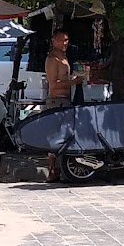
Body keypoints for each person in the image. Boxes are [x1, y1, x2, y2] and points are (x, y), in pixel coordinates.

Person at [43, 29, 84, 183]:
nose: (64, 43)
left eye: (66, 40)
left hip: (66, 100)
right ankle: (52, 171)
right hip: (56, 101)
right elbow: (54, 85)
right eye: (60, 40)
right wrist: (74, 82)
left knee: (66, 137)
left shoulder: (64, 57)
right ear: (53, 41)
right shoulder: (52, 59)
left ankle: (62, 170)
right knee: (55, 137)